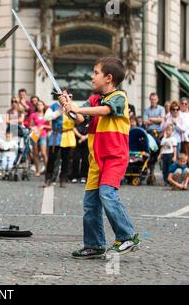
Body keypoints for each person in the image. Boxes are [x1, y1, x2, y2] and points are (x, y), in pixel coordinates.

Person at [60, 57, 140, 259]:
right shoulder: (93, 99)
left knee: (107, 194)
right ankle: (94, 244)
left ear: (109, 78)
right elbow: (80, 119)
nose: (92, 76)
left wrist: (77, 108)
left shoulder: (119, 97)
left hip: (114, 157)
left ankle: (127, 236)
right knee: (90, 204)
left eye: (96, 72)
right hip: (96, 160)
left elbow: (105, 111)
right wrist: (69, 108)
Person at [43, 92, 76, 188]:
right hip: (56, 135)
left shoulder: (73, 106)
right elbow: (46, 117)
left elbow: (78, 118)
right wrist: (58, 112)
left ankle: (63, 179)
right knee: (52, 159)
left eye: (67, 96)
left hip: (68, 135)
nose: (65, 97)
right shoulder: (53, 106)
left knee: (66, 159)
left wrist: (70, 110)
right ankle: (48, 179)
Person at [29, 100, 49, 177]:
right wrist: (33, 128)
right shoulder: (33, 115)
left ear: (44, 106)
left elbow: (50, 127)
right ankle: (37, 171)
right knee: (35, 153)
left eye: (41, 105)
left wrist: (44, 126)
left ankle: (47, 170)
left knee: (44, 153)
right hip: (35, 134)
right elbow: (30, 125)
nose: (39, 106)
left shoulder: (47, 115)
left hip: (43, 134)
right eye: (38, 105)